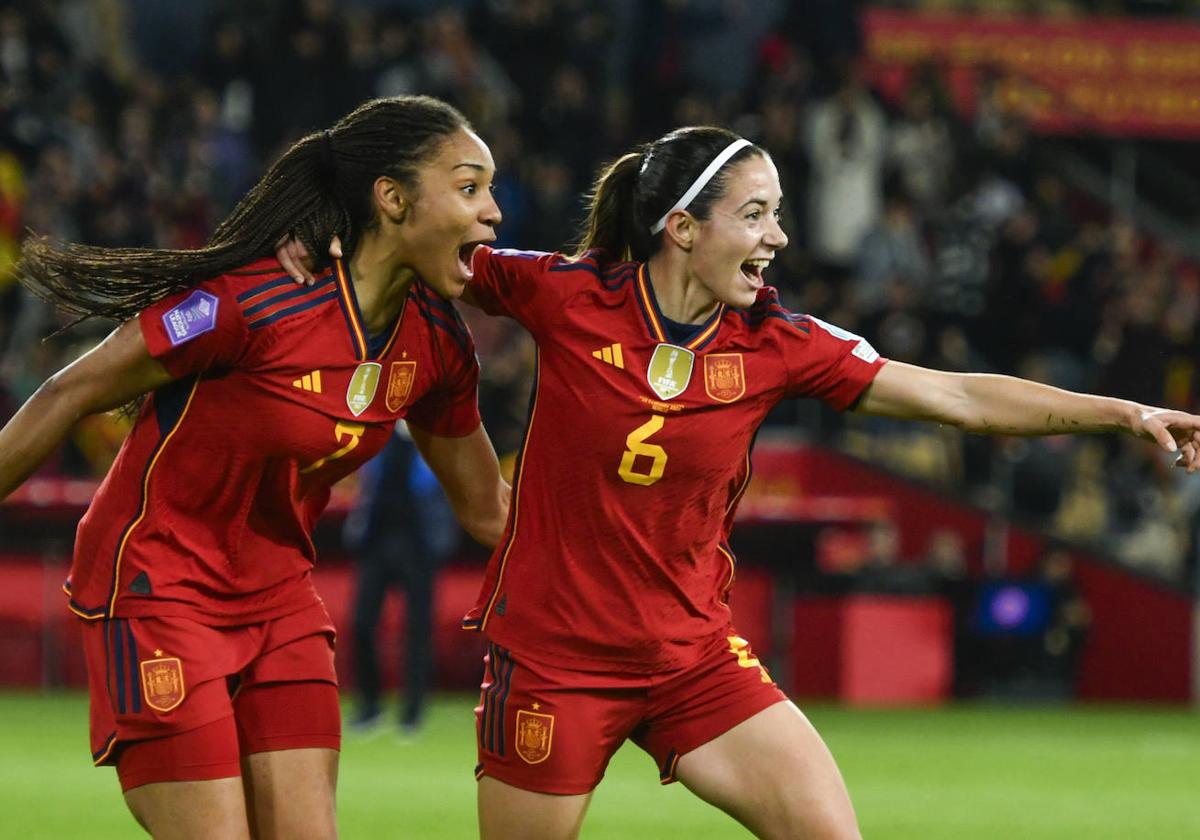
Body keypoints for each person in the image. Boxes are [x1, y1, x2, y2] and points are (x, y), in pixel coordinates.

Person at [280, 125, 1200, 840]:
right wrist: (318, 243)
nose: (780, 237)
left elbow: (954, 395)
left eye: (779, 213)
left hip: (694, 661)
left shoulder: (781, 345)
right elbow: (430, 252)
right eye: (756, 215)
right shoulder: (566, 294)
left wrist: (1118, 412)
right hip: (556, 665)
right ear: (682, 228)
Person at [1, 95, 509, 839]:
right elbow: (69, 389)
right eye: (469, 188)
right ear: (393, 199)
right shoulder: (250, 304)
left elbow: (488, 509)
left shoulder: (436, 344)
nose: (493, 211)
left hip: (278, 598)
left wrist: (626, 561)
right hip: (157, 586)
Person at [344, 422, 459, 735]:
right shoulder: (377, 431)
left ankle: (412, 712)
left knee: (418, 630)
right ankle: (369, 706)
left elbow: (447, 488)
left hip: (419, 546)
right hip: (377, 541)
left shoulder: (436, 432)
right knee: (363, 623)